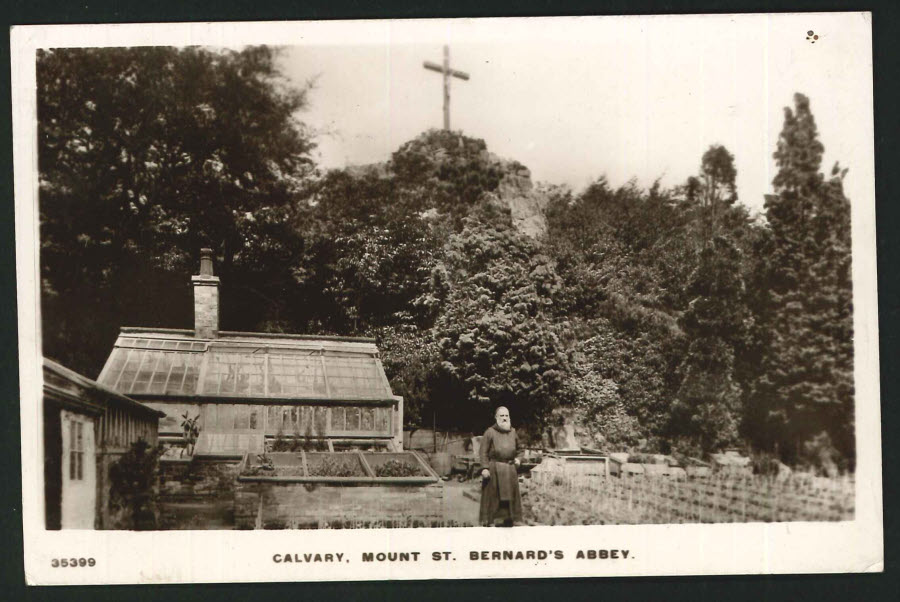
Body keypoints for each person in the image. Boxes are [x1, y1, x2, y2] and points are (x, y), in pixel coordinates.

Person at [478, 406, 522, 526]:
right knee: (493, 498)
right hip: (494, 470)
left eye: (506, 416)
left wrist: (518, 458)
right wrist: (485, 467)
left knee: (509, 503)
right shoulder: (490, 432)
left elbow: (520, 449)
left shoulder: (513, 432)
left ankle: (509, 521)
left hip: (510, 469)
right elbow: (483, 452)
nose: (504, 418)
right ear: (496, 418)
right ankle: (491, 523)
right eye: (501, 416)